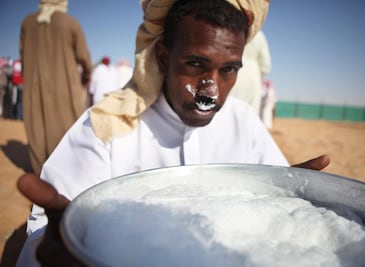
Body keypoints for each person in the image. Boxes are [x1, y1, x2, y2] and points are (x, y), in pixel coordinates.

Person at [16, 0, 330, 266]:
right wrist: (63, 248)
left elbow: (275, 212)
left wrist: (287, 209)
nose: (212, 90)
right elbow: (44, 235)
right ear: (164, 58)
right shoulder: (106, 127)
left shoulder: (243, 122)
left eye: (228, 70)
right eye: (196, 64)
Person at [19, 0, 92, 175]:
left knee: (37, 128)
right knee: (66, 127)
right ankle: (65, 174)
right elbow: (84, 58)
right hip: (65, 88)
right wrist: (86, 78)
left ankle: (41, 174)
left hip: (33, 88)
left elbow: (22, 56)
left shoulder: (27, 23)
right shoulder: (69, 23)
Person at [229, 30, 271, 115]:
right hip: (253, 76)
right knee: (250, 112)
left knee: (229, 109)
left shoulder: (235, 28)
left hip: (233, 69)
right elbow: (266, 65)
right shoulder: (260, 35)